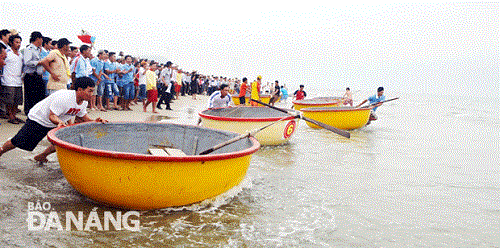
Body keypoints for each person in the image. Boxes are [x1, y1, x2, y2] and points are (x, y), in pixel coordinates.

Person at [0, 77, 107, 163]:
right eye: (90, 91)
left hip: (56, 123)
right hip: (39, 119)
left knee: (62, 142)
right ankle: (1, 151)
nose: (92, 94)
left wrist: (95, 121)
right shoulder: (64, 97)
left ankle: (41, 156)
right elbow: (52, 116)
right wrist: (59, 122)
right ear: (79, 90)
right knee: (18, 142)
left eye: (93, 91)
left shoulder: (84, 102)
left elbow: (84, 118)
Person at [1, 34, 24, 124]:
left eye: (20, 42)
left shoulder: (21, 55)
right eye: (16, 42)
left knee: (17, 100)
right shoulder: (7, 52)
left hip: (18, 81)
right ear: (11, 43)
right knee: (9, 101)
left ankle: (14, 115)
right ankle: (10, 116)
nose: (19, 44)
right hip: (8, 81)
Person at [23, 31, 45, 115]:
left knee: (38, 96)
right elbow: (27, 62)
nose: (42, 40)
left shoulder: (38, 50)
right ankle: (30, 114)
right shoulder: (29, 49)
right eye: (41, 38)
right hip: (31, 76)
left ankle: (36, 114)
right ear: (37, 39)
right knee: (30, 97)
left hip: (38, 77)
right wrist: (38, 62)